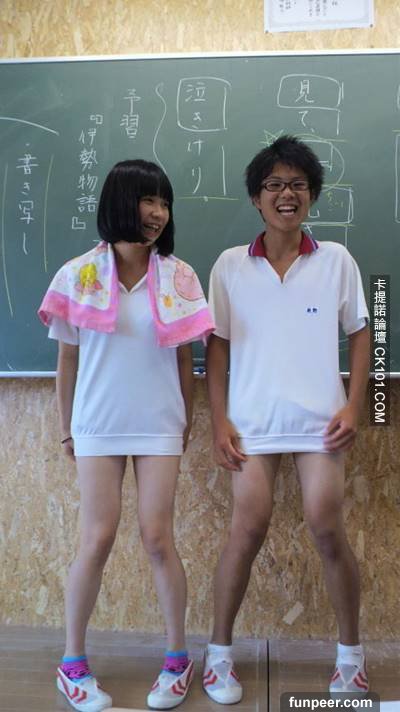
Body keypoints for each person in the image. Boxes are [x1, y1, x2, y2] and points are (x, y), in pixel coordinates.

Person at [38, 159, 214, 712]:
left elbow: (185, 359)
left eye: (164, 202)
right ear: (119, 202)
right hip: (97, 423)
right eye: (147, 200)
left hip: (159, 423)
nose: (158, 212)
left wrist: (185, 419)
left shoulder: (179, 276)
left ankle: (177, 659)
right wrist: (66, 427)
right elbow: (68, 359)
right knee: (96, 538)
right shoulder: (78, 275)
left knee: (158, 538)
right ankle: (72, 664)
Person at [204, 136, 370, 704]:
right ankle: (218, 656)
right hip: (251, 423)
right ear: (256, 198)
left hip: (321, 422)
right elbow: (217, 349)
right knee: (246, 529)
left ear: (312, 195)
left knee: (326, 525)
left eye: (298, 184)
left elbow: (365, 331)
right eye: (274, 185)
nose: (286, 194)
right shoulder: (229, 265)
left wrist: (359, 405)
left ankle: (350, 659)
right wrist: (218, 420)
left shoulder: (337, 260)